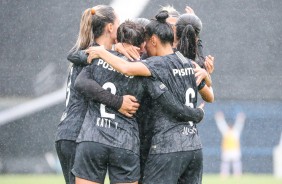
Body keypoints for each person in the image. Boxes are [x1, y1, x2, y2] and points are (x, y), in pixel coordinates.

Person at [86, 10, 208, 184]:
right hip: (193, 146)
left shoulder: (154, 64)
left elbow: (127, 69)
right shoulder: (186, 62)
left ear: (152, 40)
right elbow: (210, 95)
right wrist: (206, 76)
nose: (143, 47)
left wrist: (105, 52)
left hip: (166, 145)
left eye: (145, 42)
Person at [55, 7, 138, 184]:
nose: (120, 26)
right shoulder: (93, 55)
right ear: (109, 27)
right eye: (118, 22)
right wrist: (118, 102)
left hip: (74, 133)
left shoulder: (94, 53)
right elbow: (84, 83)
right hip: (77, 134)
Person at [214, 111, 246, 177]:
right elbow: (222, 125)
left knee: (236, 163)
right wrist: (219, 118)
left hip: (235, 150)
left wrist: (241, 118)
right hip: (227, 150)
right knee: (225, 164)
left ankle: (237, 174)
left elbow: (239, 125)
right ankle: (224, 174)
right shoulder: (226, 132)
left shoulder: (235, 132)